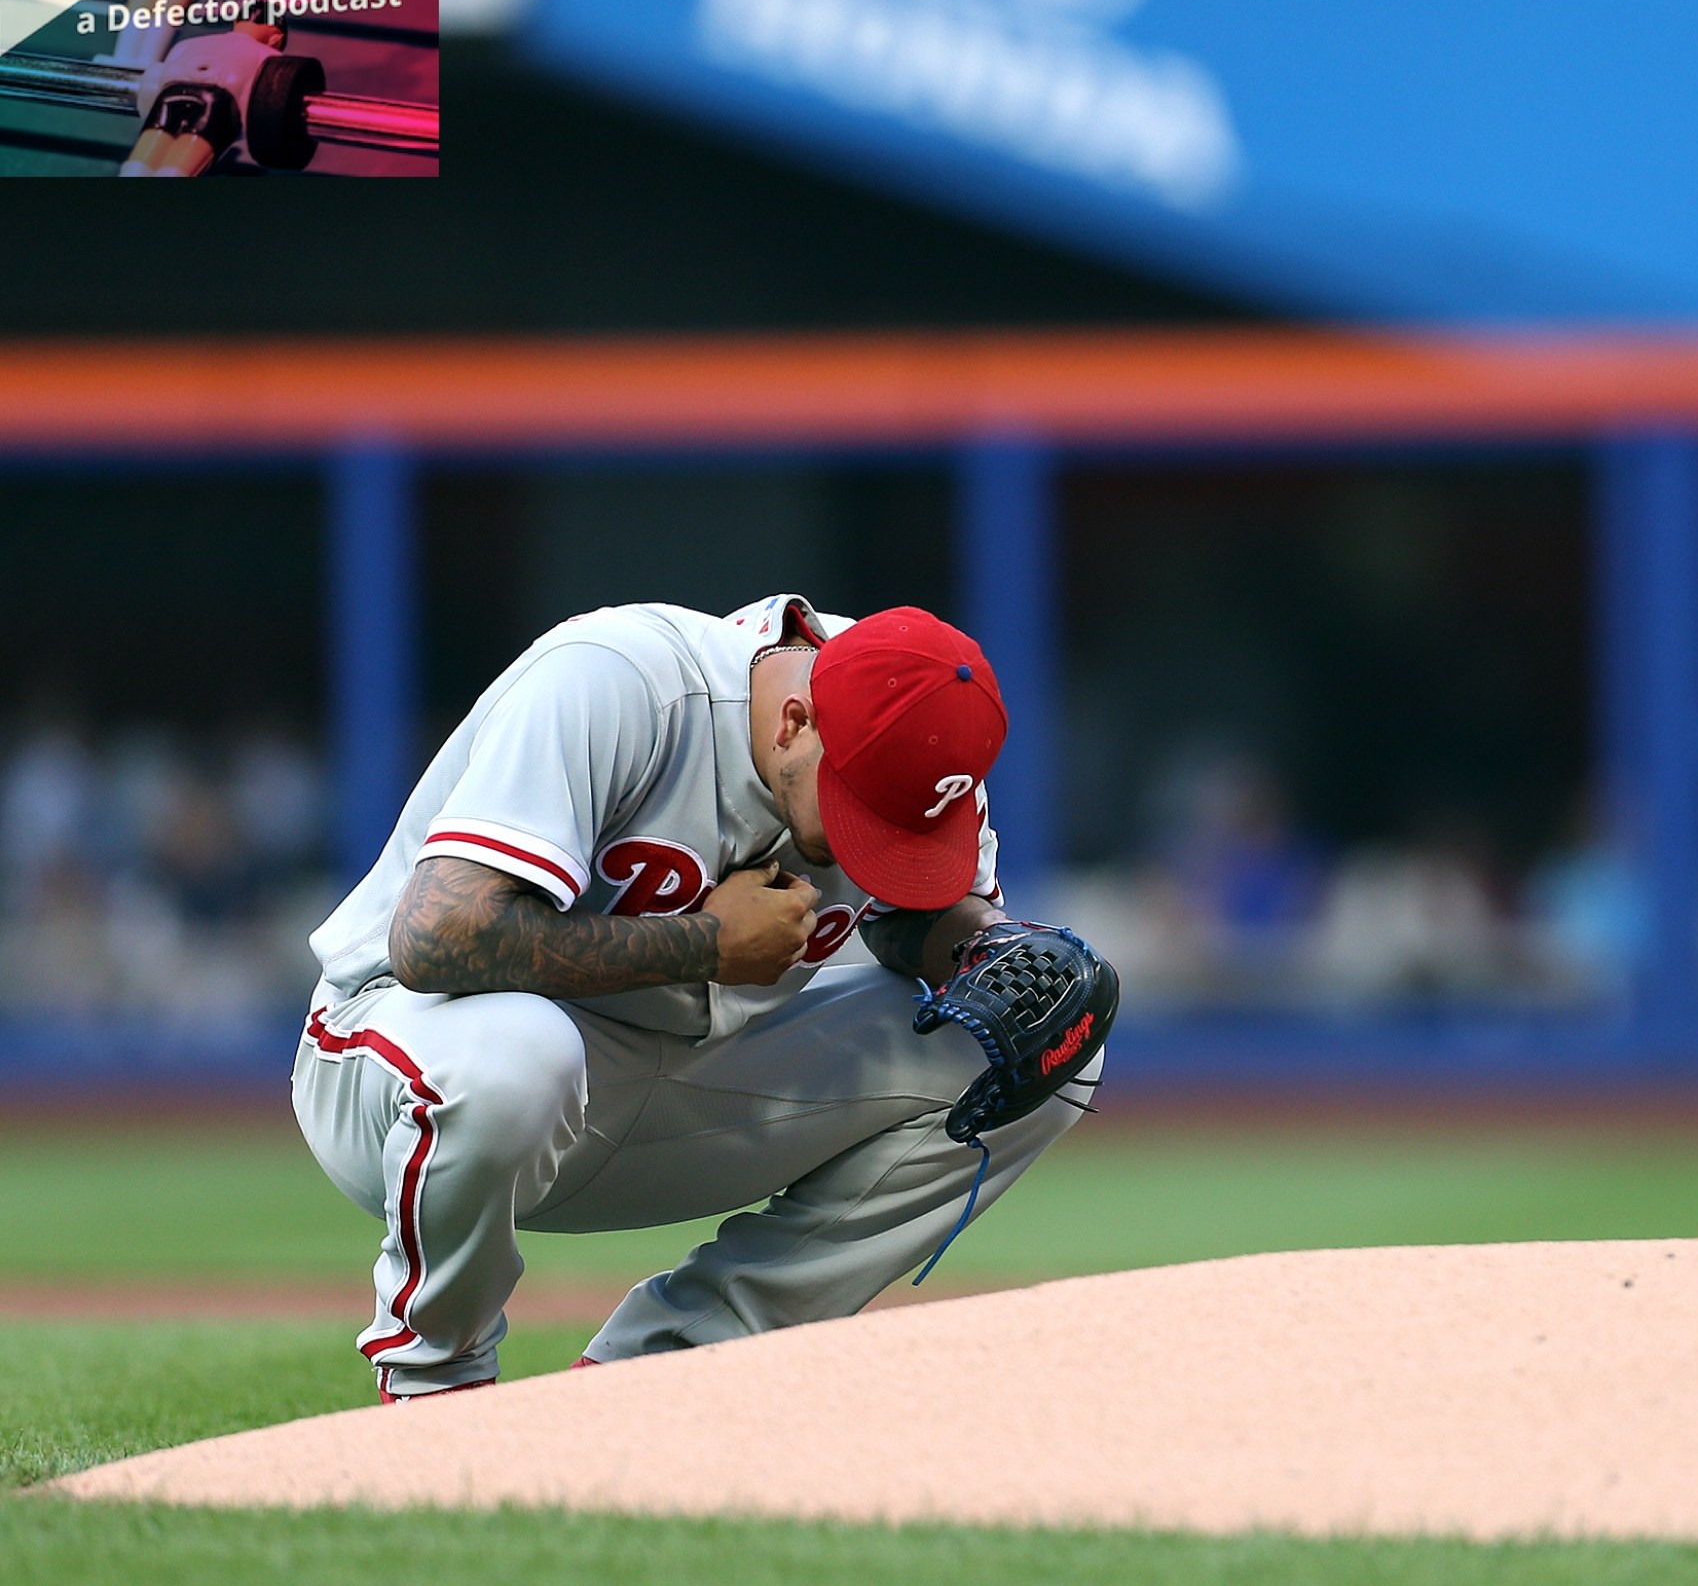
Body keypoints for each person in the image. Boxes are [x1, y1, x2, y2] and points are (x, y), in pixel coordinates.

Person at [292, 597, 1110, 1400]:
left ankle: (667, 1372)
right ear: (794, 721)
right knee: (517, 1056)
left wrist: (984, 944)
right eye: (857, 818)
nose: (871, 849)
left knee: (1035, 1057)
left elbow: (914, 921)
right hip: (401, 1065)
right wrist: (706, 944)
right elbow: (437, 938)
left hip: (678, 1080)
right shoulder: (620, 682)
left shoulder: (920, 729)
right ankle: (439, 1385)